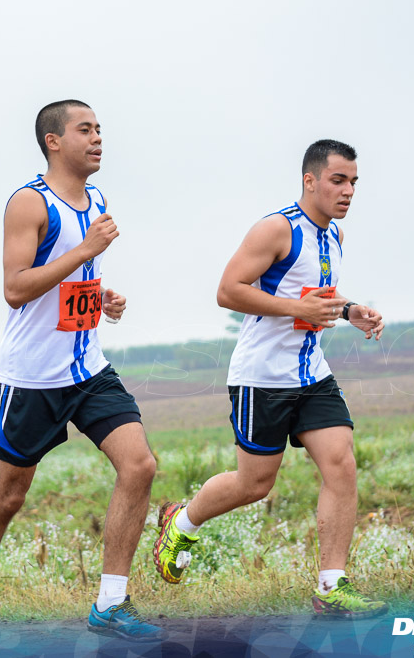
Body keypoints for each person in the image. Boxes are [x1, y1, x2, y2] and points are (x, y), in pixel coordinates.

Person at [0, 100, 166, 655]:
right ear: (53, 141)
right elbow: (16, 287)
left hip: (87, 367)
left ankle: (110, 603)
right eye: (84, 130)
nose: (97, 139)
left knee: (139, 465)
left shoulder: (97, 200)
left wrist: (99, 293)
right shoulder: (28, 203)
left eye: (99, 130)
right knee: (9, 496)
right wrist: (87, 250)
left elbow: (71, 274)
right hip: (33, 377)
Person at [152, 139, 387, 618]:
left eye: (354, 183)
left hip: (311, 373)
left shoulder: (334, 236)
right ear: (310, 180)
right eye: (338, 180)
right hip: (262, 378)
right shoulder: (276, 229)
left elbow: (316, 293)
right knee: (254, 483)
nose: (348, 192)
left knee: (341, 463)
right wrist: (297, 308)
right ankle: (183, 520)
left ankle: (332, 587)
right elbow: (227, 290)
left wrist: (349, 309)